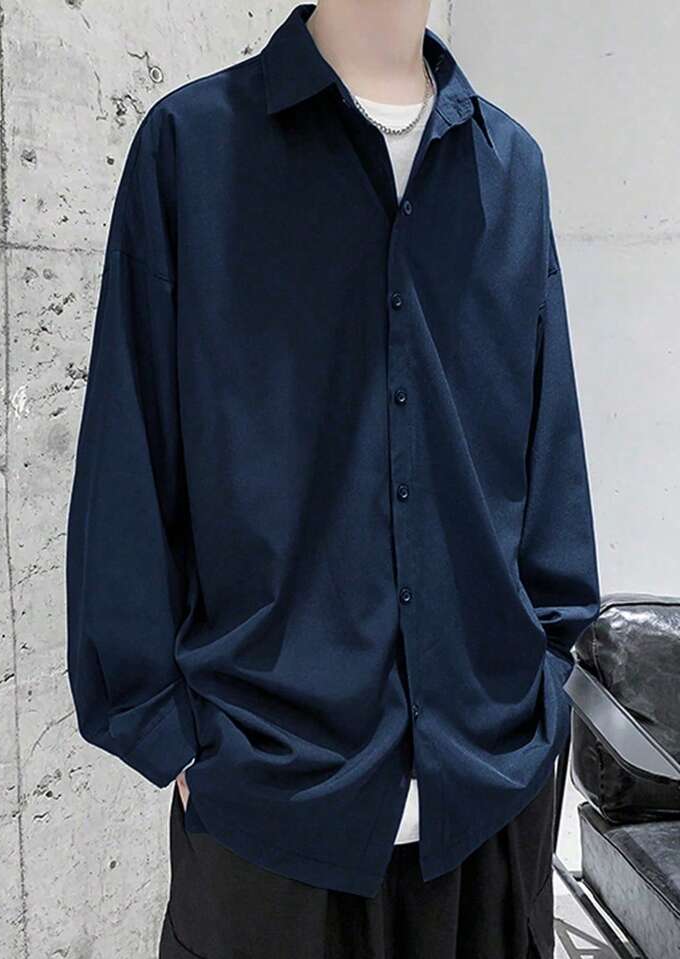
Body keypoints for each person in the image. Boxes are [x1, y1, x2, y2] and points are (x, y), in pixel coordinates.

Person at [65, 2, 601, 957]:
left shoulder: (510, 168)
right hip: (268, 815)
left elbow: (547, 446)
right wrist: (168, 734)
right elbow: (128, 459)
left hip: (489, 802)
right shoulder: (193, 150)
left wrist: (548, 674)